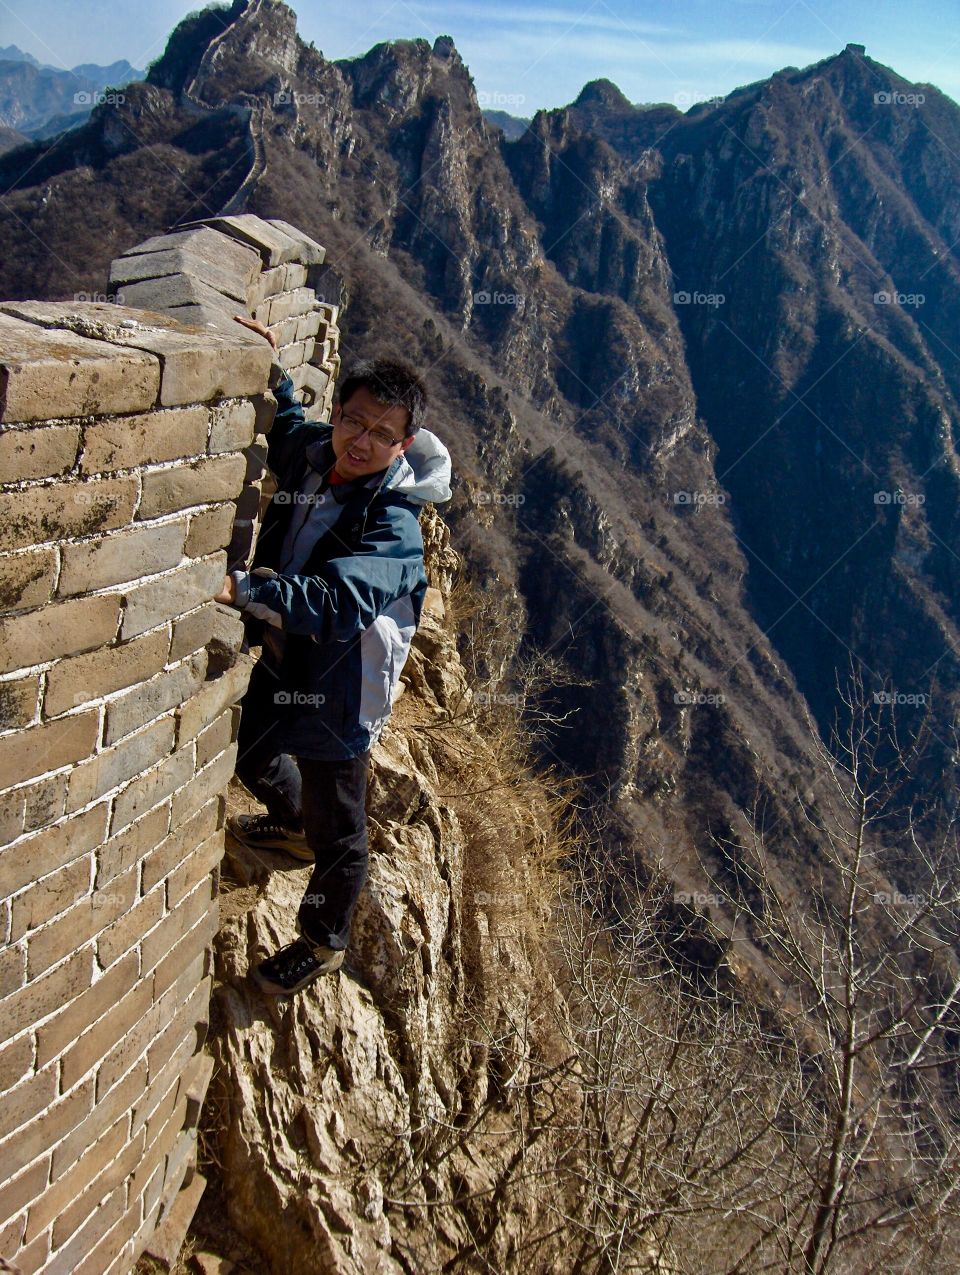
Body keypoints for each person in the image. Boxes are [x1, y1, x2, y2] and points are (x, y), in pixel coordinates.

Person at [215, 314, 452, 994]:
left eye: (383, 433)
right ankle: (289, 826)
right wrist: (273, 373)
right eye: (354, 421)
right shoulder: (319, 454)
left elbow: (340, 602)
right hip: (286, 651)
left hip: (343, 684)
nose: (362, 441)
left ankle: (322, 943)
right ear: (339, 412)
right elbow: (287, 430)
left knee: (339, 830)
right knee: (250, 750)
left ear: (404, 444)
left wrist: (248, 589)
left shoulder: (395, 525)